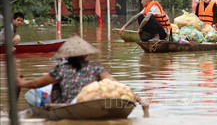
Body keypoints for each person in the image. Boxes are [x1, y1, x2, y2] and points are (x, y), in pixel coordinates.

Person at [16, 35, 149, 110]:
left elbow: (36, 83)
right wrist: (138, 99)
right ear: (86, 55)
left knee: (51, 89)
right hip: (91, 104)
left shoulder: (60, 69)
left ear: (66, 56)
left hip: (66, 106)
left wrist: (21, 83)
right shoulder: (96, 68)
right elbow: (116, 85)